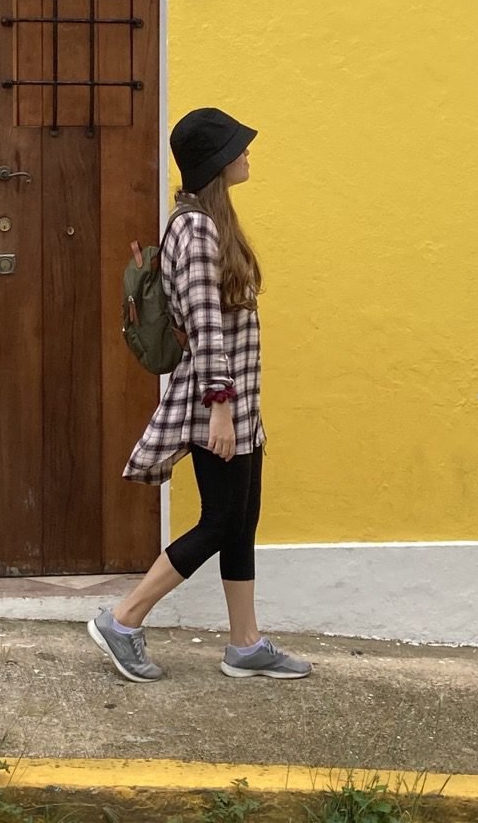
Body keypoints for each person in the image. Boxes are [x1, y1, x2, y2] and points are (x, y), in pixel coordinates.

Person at [88, 107, 311, 683]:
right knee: (218, 522)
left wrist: (237, 405)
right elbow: (206, 324)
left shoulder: (212, 223)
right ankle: (125, 618)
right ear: (216, 161)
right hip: (220, 401)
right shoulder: (195, 229)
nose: (246, 154)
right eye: (237, 147)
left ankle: (245, 642)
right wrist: (220, 405)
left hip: (239, 400)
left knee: (243, 521)